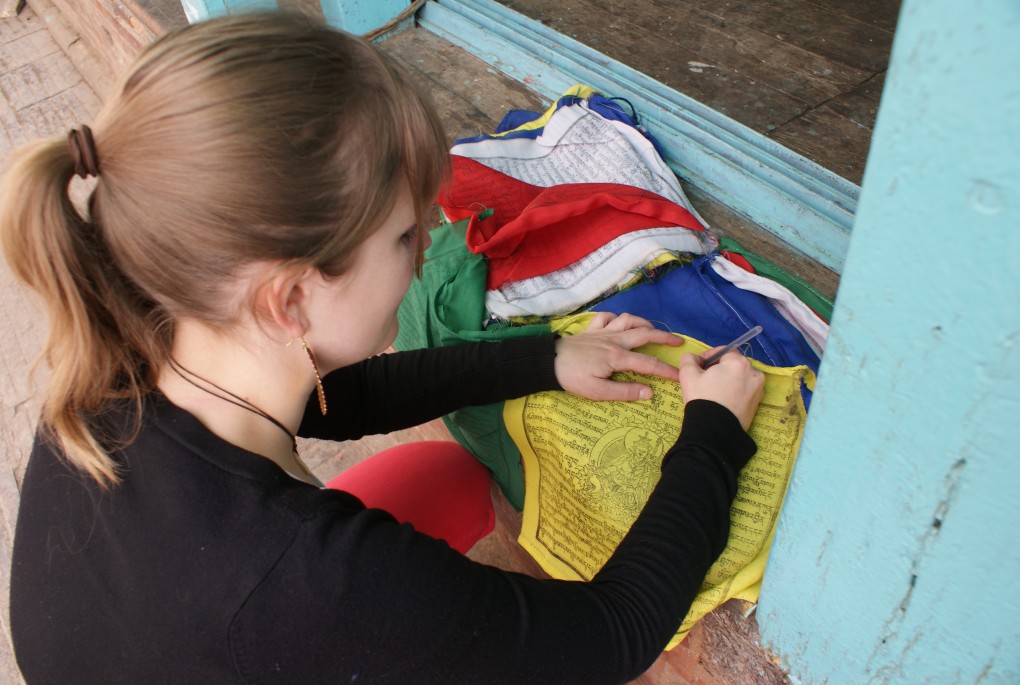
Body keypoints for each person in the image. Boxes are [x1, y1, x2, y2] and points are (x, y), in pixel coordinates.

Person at [2, 12, 764, 684]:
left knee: (441, 474)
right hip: (256, 619)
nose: (428, 244)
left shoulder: (125, 355)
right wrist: (712, 434)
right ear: (291, 298)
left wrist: (545, 360)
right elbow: (614, 634)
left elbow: (341, 397)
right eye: (405, 234)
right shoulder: (321, 581)